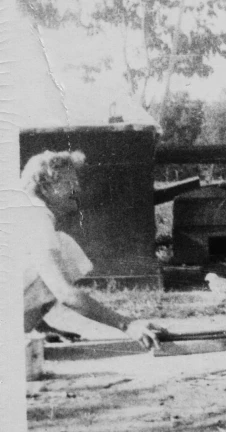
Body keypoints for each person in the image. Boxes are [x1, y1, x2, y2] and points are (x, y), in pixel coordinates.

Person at [21, 150, 161, 350]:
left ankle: (28, 328)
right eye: (69, 183)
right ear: (46, 185)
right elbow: (64, 293)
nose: (77, 188)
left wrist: (42, 327)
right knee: (66, 247)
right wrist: (127, 324)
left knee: (63, 245)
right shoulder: (36, 217)